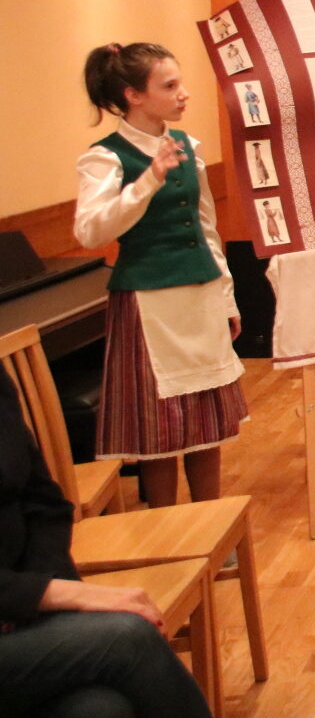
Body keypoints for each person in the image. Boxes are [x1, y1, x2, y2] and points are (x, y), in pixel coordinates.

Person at [74, 42, 247, 508]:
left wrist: (226, 298)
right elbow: (91, 231)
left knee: (206, 427)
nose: (183, 93)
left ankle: (212, 524)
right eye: (169, 86)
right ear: (133, 95)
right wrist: (148, 180)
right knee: (160, 431)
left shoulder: (188, 146)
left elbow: (206, 228)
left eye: (179, 83)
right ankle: (166, 526)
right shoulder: (106, 158)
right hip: (150, 307)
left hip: (199, 297)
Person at [0, 365, 212, 718]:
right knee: (127, 636)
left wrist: (38, 593)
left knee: (100, 709)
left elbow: (43, 501)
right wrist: (45, 593)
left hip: (19, 613)